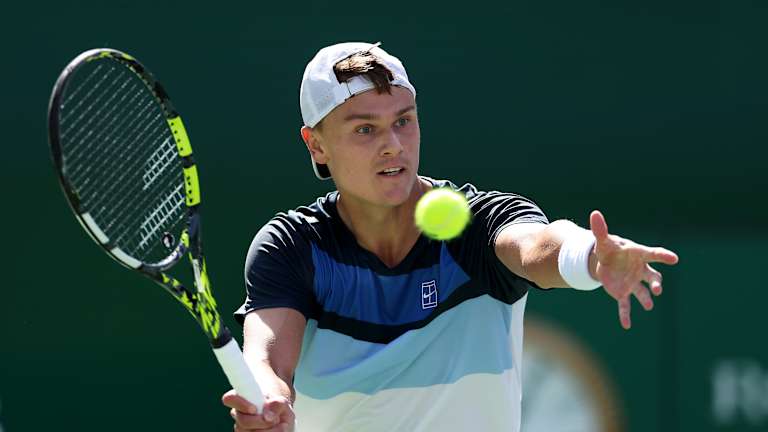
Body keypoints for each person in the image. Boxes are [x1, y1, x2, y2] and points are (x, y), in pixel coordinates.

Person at [221, 42, 679, 432]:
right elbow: (269, 361)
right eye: (365, 129)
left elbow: (537, 244)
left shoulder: (476, 225)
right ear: (316, 144)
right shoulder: (291, 246)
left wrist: (591, 260)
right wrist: (269, 400)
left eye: (403, 120)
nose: (394, 146)